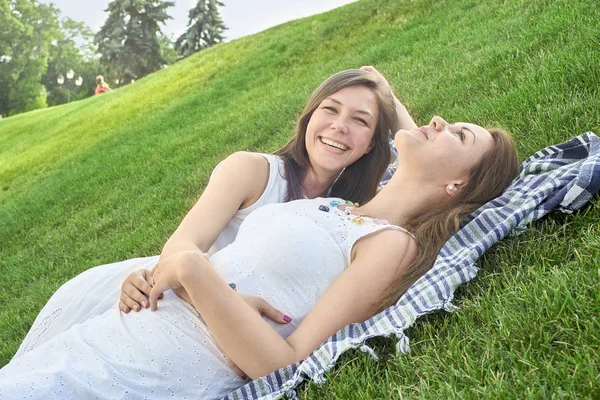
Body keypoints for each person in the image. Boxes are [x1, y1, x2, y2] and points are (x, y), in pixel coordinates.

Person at [0, 104, 519, 398]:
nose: (436, 122)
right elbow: (407, 131)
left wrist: (190, 271)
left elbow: (283, 365)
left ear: (458, 185)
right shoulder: (336, 206)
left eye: (459, 134)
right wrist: (176, 276)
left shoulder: (390, 245)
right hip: (106, 338)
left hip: (144, 375)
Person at [6, 69, 400, 369]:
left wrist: (388, 96)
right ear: (308, 118)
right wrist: (224, 300)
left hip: (219, 328)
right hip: (167, 291)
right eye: (329, 109)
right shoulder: (253, 171)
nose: (339, 126)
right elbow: (181, 246)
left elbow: (433, 168)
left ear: (371, 144)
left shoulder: (349, 212)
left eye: (360, 121)